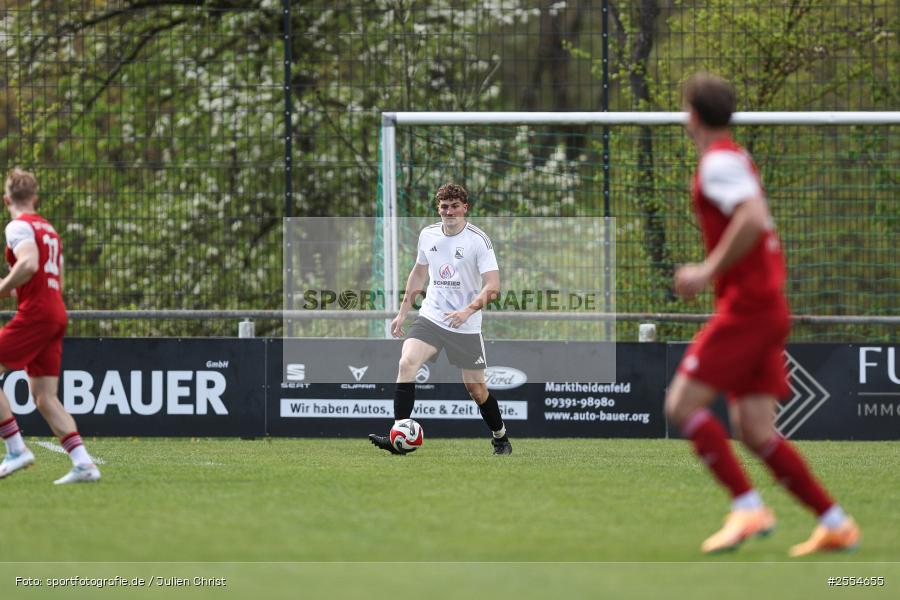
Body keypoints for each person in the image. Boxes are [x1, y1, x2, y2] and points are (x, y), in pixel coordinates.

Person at [665, 74, 859, 556]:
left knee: (681, 407)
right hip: (764, 305)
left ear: (692, 114)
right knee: (754, 431)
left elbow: (751, 217)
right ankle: (835, 523)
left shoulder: (717, 163)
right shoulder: (733, 158)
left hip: (749, 309)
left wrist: (706, 270)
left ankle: (748, 507)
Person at [369, 182, 510, 455]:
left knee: (476, 389)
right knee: (407, 362)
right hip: (431, 317)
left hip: (465, 324)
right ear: (438, 208)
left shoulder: (478, 240)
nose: (449, 212)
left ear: (465, 208)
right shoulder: (428, 234)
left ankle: (500, 437)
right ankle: (399, 435)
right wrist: (402, 313)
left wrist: (467, 311)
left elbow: (493, 286)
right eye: (444, 207)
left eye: (455, 206)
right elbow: (419, 273)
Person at [0, 168, 100, 484]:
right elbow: (50, 275)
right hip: (55, 310)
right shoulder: (49, 229)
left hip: (39, 313)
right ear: (35, 197)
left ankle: (16, 448)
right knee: (44, 396)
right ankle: (84, 464)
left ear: (7, 200)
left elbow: (28, 264)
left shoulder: (18, 226)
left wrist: (3, 286)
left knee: (43, 395)